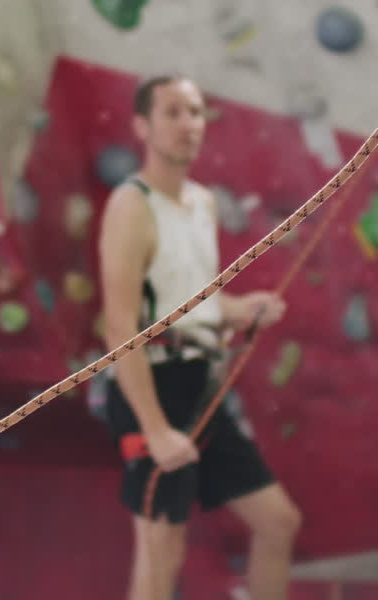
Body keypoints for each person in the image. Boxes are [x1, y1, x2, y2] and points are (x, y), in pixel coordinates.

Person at [97, 75, 303, 600]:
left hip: (201, 384)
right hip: (153, 388)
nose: (190, 123)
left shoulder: (202, 202)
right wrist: (156, 429)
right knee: (161, 552)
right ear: (142, 126)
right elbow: (122, 327)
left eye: (196, 112)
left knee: (278, 522)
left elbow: (189, 303)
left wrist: (239, 310)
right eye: (173, 112)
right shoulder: (132, 205)